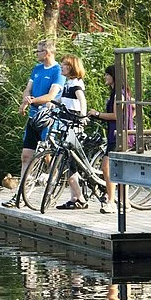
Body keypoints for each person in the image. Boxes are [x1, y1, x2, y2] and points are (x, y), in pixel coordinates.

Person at [5, 39, 63, 207]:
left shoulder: (58, 71)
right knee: (26, 156)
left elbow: (51, 96)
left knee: (47, 157)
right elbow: (27, 89)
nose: (36, 54)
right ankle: (20, 195)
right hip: (33, 118)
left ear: (47, 53)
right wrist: (25, 100)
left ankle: (53, 184)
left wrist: (33, 101)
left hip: (48, 119)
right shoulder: (37, 69)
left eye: (38, 51)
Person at [86, 63, 134, 214]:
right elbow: (133, 110)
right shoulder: (119, 92)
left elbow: (115, 115)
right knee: (115, 168)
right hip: (115, 133)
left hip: (118, 135)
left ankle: (111, 201)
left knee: (107, 167)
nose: (105, 77)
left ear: (114, 76)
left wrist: (97, 114)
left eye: (107, 74)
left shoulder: (119, 94)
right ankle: (124, 200)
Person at [57, 56, 93, 210]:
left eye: (64, 65)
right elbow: (60, 100)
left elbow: (82, 100)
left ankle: (80, 197)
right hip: (64, 123)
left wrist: (83, 116)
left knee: (70, 160)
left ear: (72, 68)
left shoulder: (76, 84)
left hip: (73, 123)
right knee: (67, 160)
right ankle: (75, 197)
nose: (61, 67)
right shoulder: (67, 83)